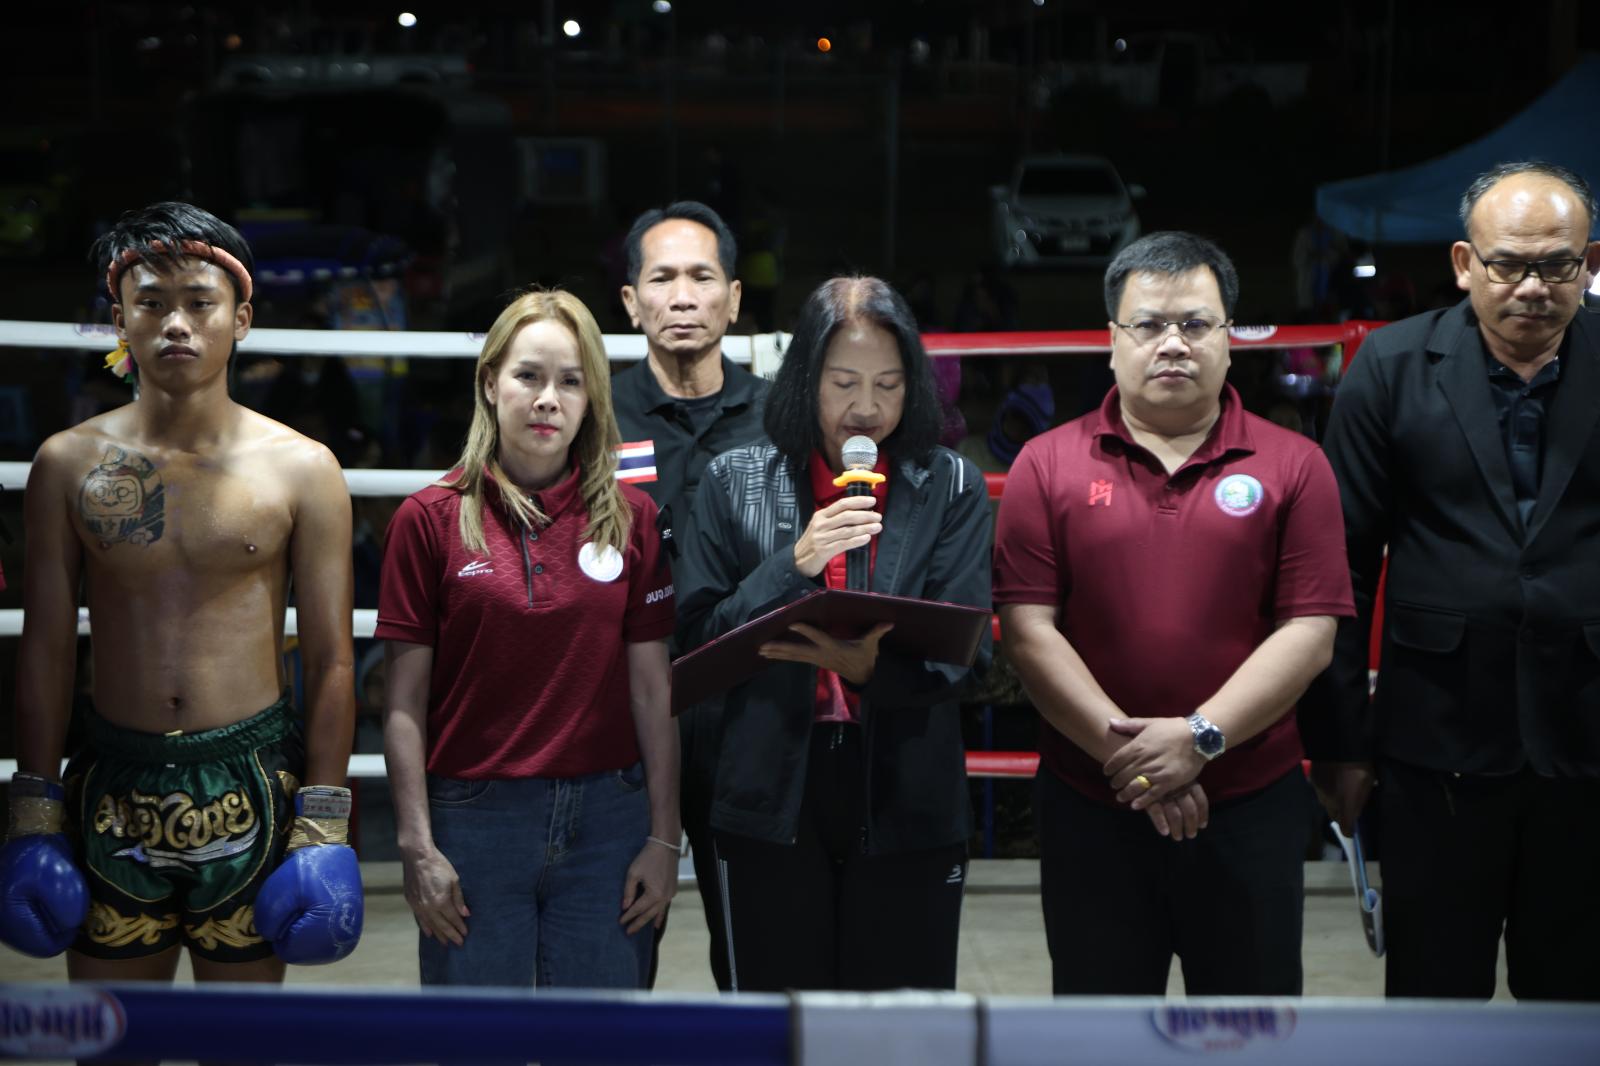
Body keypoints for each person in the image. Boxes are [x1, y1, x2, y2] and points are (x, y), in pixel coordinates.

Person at [0, 202, 362, 982]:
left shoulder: (304, 469)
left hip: (250, 776)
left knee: (239, 1035)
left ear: (242, 319)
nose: (176, 324)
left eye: (200, 302)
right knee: (114, 1033)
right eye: (152, 303)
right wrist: (33, 809)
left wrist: (324, 820)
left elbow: (333, 659)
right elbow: (46, 647)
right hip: (111, 778)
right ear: (119, 322)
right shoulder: (67, 465)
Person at [992, 231, 1353, 996]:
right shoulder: (1046, 464)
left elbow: (1310, 633)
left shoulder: (1296, 464)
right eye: (1149, 324)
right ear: (1112, 340)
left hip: (1247, 803)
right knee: (1099, 1033)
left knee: (1250, 1030)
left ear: (1229, 336)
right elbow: (1027, 633)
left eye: (1195, 323)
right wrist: (1144, 766)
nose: (1174, 343)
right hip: (1093, 804)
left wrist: (1199, 739)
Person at [1302, 161, 1600, 1001]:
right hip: (1435, 741)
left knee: (1577, 1002)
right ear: (1466, 263)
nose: (1533, 287)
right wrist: (1340, 742)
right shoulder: (1391, 366)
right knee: (1434, 996)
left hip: (1589, 736)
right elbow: (1341, 566)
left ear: (1590, 263)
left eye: (1557, 264)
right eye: (1509, 264)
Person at [675, 275, 992, 992]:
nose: (867, 408)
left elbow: (971, 658)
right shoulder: (732, 480)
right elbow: (696, 642)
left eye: (889, 384)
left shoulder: (952, 486)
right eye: (844, 383)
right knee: (776, 1019)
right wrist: (791, 565)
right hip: (768, 781)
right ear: (805, 381)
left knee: (901, 1025)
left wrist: (867, 669)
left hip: (907, 784)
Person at [378, 289, 679, 989]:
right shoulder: (428, 520)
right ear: (490, 383)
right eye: (528, 376)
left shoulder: (632, 517)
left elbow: (653, 689)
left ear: (591, 397)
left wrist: (665, 837)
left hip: (609, 820)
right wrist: (416, 844)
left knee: (600, 1036)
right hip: (474, 821)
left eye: (570, 381)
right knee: (480, 1038)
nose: (548, 399)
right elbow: (403, 703)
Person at [614, 200, 767, 990]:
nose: (681, 297)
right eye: (661, 278)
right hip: (619, 723)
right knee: (616, 961)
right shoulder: (590, 414)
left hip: (751, 715)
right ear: (630, 300)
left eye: (701, 277)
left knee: (753, 965)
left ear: (733, 299)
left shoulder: (782, 417)